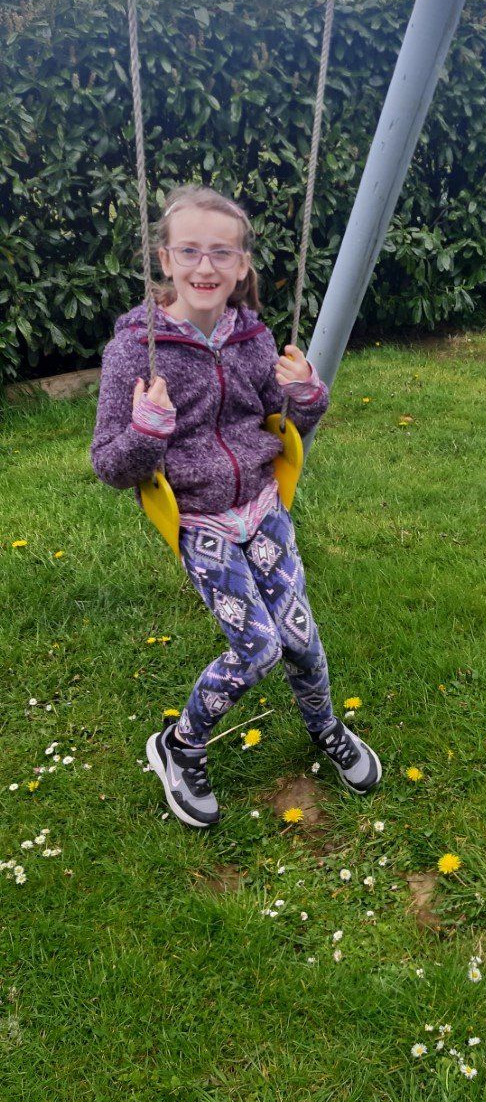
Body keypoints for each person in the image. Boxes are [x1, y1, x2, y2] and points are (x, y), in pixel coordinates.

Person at [91, 184, 382, 828]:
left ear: (242, 263)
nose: (205, 267)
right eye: (189, 251)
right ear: (164, 259)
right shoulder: (135, 350)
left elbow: (285, 422)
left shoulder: (253, 337)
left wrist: (308, 395)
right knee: (258, 649)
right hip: (200, 521)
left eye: (222, 253)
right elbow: (110, 465)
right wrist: (146, 432)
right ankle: (180, 744)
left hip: (263, 507)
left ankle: (325, 728)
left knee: (300, 638)